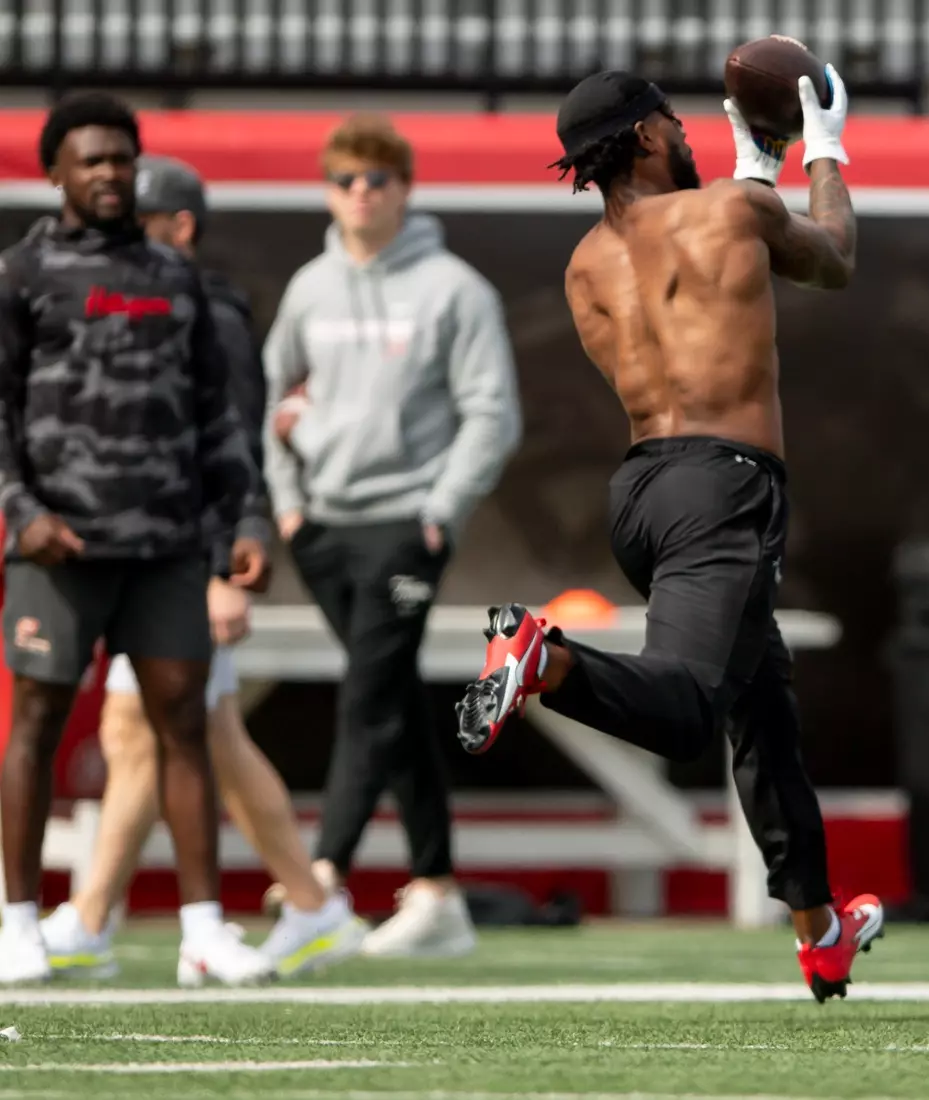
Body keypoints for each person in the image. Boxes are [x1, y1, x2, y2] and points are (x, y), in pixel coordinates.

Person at [454, 67, 884, 1003]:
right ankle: (543, 658)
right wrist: (822, 151)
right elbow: (833, 257)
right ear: (648, 136)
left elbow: (709, 282)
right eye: (676, 124)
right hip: (723, 487)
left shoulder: (584, 266)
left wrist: (752, 168)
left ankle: (820, 931)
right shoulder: (732, 210)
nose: (690, 134)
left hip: (642, 494)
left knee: (761, 711)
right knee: (687, 709)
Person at [37, 155, 368, 981]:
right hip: (156, 558)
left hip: (185, 562)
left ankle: (98, 920)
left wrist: (224, 563)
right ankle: (296, 904)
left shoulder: (204, 314)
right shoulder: (144, 304)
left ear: (179, 227)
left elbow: (234, 446)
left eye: (137, 221)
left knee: (171, 729)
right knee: (172, 731)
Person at [0, 93, 275, 985]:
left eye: (122, 159)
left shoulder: (175, 277)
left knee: (183, 727)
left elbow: (217, 416)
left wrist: (244, 520)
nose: (110, 174)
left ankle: (204, 932)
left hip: (167, 547)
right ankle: (17, 925)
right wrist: (22, 513)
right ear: (56, 172)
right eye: (91, 160)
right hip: (60, 547)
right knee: (35, 725)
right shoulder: (21, 274)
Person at [262, 113, 522, 958]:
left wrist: (440, 511)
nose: (361, 194)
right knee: (394, 696)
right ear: (327, 192)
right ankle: (438, 890)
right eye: (345, 180)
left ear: (405, 188)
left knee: (368, 694)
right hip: (321, 527)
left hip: (406, 526)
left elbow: (493, 414)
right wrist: (289, 506)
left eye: (377, 180)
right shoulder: (310, 288)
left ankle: (321, 876)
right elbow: (271, 399)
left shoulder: (455, 290)